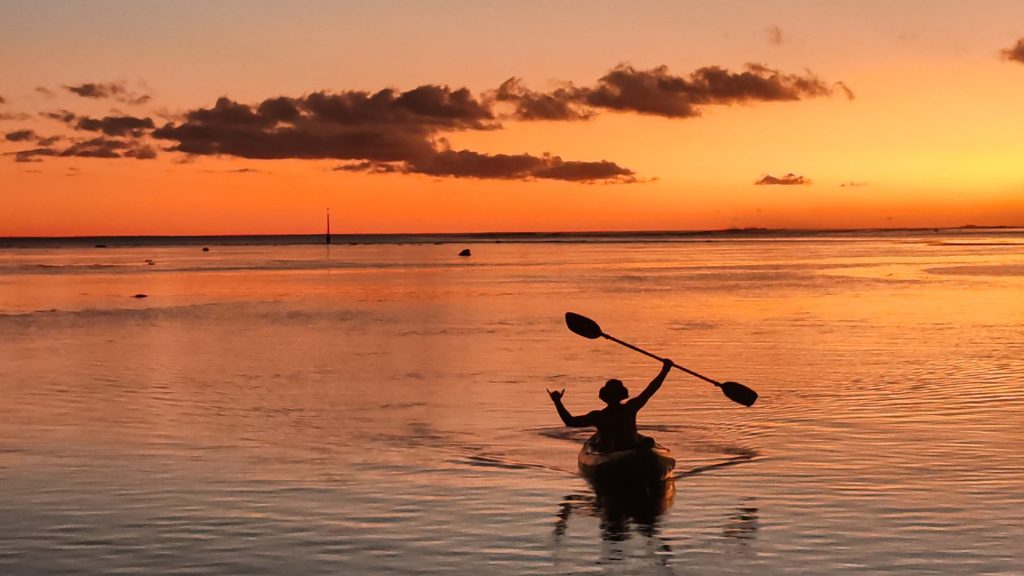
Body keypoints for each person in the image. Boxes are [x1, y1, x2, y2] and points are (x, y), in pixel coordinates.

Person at [547, 359, 673, 452]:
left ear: (604, 397)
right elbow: (651, 390)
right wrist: (665, 370)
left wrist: (557, 402)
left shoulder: (598, 416)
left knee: (648, 441)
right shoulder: (630, 408)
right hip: (622, 449)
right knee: (648, 441)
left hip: (614, 450)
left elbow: (570, 421)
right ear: (622, 395)